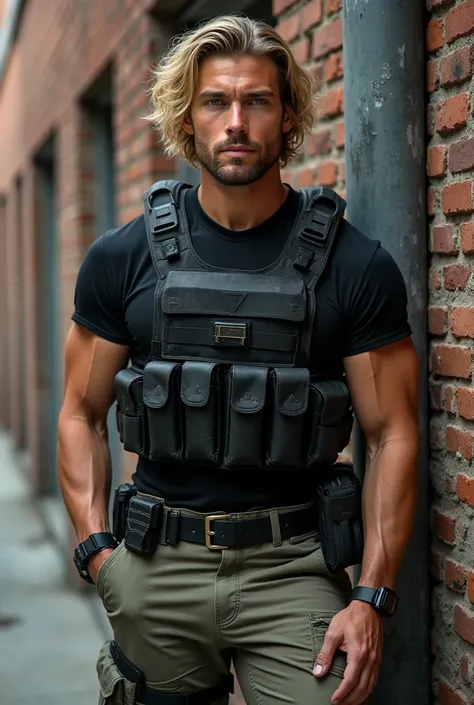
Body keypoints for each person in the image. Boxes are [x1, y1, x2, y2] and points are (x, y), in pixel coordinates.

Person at [57, 14, 419, 705]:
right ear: (186, 118)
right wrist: (99, 554)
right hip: (156, 563)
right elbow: (80, 409)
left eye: (257, 100)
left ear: (287, 117)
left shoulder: (354, 266)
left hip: (296, 569)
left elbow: (393, 431)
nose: (236, 121)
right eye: (215, 101)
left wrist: (372, 595)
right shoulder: (122, 258)